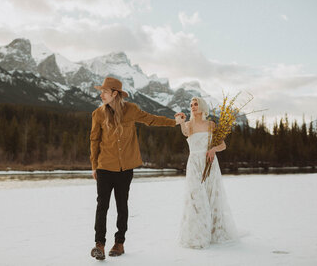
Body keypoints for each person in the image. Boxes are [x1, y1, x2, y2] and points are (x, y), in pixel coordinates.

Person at [90, 77, 183, 260]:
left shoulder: (131, 110)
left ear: (114, 94)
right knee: (102, 206)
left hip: (126, 168)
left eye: (105, 92)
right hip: (104, 167)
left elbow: (151, 119)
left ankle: (119, 243)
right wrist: (94, 166)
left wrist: (174, 122)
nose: (101, 95)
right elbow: (94, 141)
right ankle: (99, 245)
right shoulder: (98, 114)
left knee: (122, 205)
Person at [175, 97, 239, 249]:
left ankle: (214, 232)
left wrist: (213, 149)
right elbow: (184, 132)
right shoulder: (188, 125)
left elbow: (222, 145)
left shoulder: (211, 125)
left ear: (202, 106)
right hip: (194, 164)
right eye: (191, 105)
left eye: (196, 104)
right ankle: (198, 235)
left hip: (209, 163)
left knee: (212, 197)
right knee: (196, 197)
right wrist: (181, 121)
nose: (193, 107)